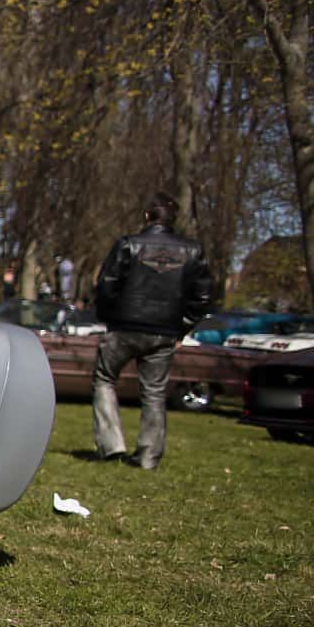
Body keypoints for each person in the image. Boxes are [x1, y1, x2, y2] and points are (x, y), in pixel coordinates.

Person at [91, 193, 215, 470]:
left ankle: (112, 446)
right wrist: (182, 327)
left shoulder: (128, 245)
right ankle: (148, 456)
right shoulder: (193, 250)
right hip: (164, 332)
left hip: (123, 327)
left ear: (147, 216)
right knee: (154, 393)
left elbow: (107, 285)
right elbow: (204, 296)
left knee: (104, 379)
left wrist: (109, 318)